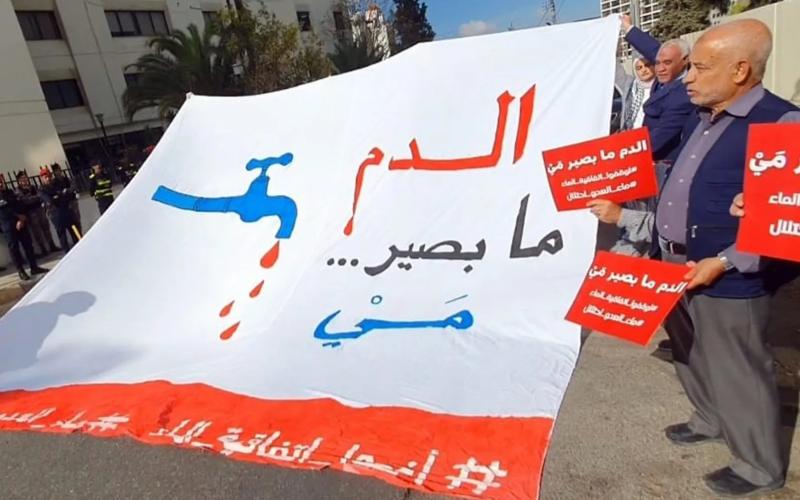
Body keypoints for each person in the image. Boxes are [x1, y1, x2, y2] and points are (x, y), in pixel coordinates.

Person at [653, 19, 799, 497]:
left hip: (727, 274)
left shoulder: (782, 123)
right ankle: (709, 418)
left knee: (738, 367)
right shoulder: (701, 117)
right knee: (689, 350)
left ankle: (758, 465)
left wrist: (727, 260)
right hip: (673, 262)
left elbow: (786, 216)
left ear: (740, 70)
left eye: (700, 67)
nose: (688, 78)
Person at [622, 14, 695, 161]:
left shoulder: (685, 94)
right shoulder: (668, 64)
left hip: (663, 159)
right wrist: (628, 27)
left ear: (685, 61)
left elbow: (660, 136)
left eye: (667, 63)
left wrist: (622, 153)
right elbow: (651, 48)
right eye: (656, 63)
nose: (660, 69)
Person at [0, 188, 48, 281]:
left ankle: (34, 267)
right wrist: (17, 216)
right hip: (8, 226)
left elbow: (20, 204)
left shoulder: (10, 192)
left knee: (28, 245)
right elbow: (3, 213)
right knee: (14, 249)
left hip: (21, 223)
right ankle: (21, 271)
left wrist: (22, 218)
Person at [15, 172, 58, 255]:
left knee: (46, 227)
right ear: (19, 181)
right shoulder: (18, 191)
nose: (25, 180)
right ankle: (43, 249)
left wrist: (34, 198)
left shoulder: (32, 187)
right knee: (37, 231)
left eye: (25, 177)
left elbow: (41, 196)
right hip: (31, 212)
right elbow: (25, 201)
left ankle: (52, 245)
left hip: (40, 209)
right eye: (22, 178)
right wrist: (36, 198)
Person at [40, 169, 81, 254]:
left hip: (66, 209)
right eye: (45, 177)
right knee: (62, 235)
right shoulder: (42, 189)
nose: (48, 179)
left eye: (49, 176)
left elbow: (67, 194)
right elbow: (49, 200)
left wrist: (59, 196)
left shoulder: (57, 184)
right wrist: (59, 195)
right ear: (42, 178)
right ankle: (67, 252)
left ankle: (79, 246)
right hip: (55, 214)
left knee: (74, 229)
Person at [623, 57, 656, 131]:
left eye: (647, 65)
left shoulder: (662, 87)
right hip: (633, 134)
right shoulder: (631, 88)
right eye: (639, 68)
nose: (644, 70)